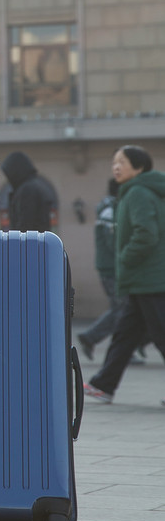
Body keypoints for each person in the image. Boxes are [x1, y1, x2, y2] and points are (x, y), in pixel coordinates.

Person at [85, 147, 165, 404]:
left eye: (122, 162)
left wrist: (125, 259)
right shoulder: (142, 191)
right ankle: (104, 384)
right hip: (143, 279)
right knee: (125, 334)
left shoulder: (138, 193)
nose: (116, 167)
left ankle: (104, 383)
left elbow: (146, 233)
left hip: (149, 279)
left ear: (139, 168)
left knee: (160, 334)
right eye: (114, 162)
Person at [78, 179, 133, 362]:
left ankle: (93, 338)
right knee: (122, 308)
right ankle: (119, 348)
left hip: (112, 267)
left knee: (122, 307)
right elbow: (114, 242)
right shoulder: (111, 210)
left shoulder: (113, 207)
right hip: (112, 268)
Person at [0, 151, 53, 232]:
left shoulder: (27, 190)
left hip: (30, 242)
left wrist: (18, 241)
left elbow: (25, 224)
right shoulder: (32, 186)